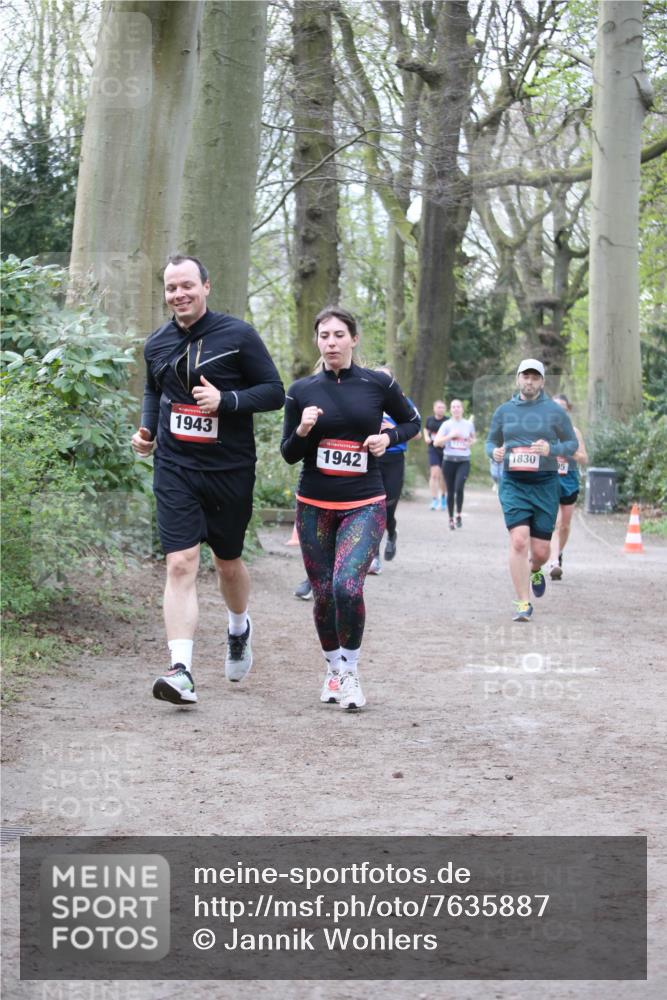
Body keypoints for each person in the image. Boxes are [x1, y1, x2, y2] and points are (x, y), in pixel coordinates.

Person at [131, 254, 285, 705]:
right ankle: (181, 670)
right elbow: (153, 390)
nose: (179, 294)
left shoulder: (238, 335)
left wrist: (228, 400)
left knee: (227, 562)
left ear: (206, 286)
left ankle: (239, 627)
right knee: (180, 563)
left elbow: (274, 392)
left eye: (187, 286)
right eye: (171, 288)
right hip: (176, 468)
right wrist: (147, 430)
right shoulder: (156, 343)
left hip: (229, 469)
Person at [281, 306, 420, 709]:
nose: (331, 342)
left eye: (339, 335)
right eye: (324, 335)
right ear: (317, 341)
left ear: (354, 340)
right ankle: (333, 669)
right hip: (313, 505)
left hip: (364, 502)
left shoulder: (377, 383)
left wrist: (388, 437)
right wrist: (304, 430)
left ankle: (352, 671)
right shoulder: (301, 390)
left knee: (347, 585)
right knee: (323, 593)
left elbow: (412, 421)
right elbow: (289, 453)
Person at [485, 359, 577, 622]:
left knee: (540, 552)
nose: (530, 381)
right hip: (514, 484)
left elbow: (571, 443)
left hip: (546, 485)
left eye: (535, 377)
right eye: (525, 376)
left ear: (542, 382)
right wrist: (495, 452)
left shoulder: (555, 412)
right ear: (517, 379)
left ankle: (536, 568)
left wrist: (552, 450)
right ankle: (523, 603)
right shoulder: (504, 411)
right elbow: (491, 441)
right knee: (518, 540)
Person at [366, 367, 420, 574]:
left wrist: (392, 432)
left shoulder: (402, 401)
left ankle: (392, 531)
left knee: (388, 509)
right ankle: (374, 556)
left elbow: (416, 432)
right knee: (375, 507)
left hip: (395, 459)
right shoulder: (367, 399)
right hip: (373, 458)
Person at [547, 394, 588, 580]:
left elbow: (584, 459)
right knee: (555, 524)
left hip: (569, 481)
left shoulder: (574, 432)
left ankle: (558, 553)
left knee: (565, 525)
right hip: (549, 480)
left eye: (563, 408)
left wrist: (570, 453)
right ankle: (554, 562)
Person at [434, 398, 476, 530]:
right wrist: (450, 436)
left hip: (463, 461)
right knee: (450, 491)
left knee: (459, 488)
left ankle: (459, 514)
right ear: (450, 410)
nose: (456, 409)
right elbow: (436, 442)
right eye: (453, 407)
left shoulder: (468, 424)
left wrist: (471, 442)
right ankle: (451, 518)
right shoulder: (446, 425)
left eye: (458, 407)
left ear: (462, 409)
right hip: (449, 461)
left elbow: (473, 438)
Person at [423, 400, 447, 510]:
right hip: (433, 449)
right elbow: (425, 429)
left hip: (445, 450)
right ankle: (434, 499)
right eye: (438, 407)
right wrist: (427, 437)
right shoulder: (429, 419)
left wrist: (444, 441)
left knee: (443, 476)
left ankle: (443, 497)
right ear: (434, 408)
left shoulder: (448, 421)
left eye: (442, 407)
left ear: (445, 409)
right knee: (434, 474)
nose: (440, 409)